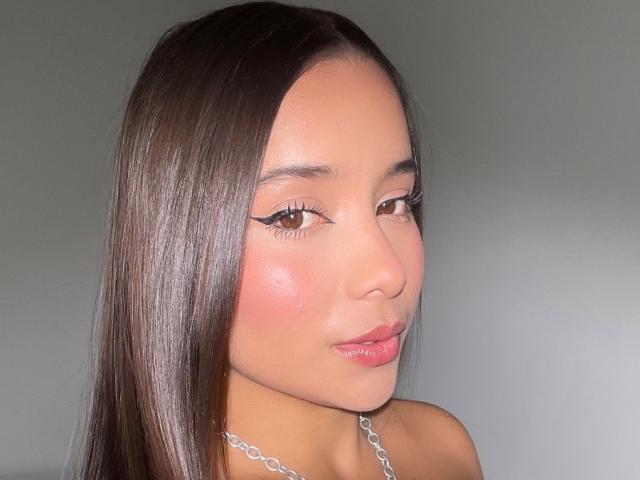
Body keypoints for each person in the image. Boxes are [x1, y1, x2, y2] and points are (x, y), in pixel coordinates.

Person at [71, 1, 484, 478]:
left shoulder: (442, 449)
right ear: (180, 243)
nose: (389, 273)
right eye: (294, 216)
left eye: (394, 203)